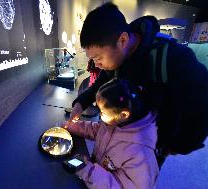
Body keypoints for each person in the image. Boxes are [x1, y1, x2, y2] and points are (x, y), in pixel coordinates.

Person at [69, 2, 208, 166]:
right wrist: (80, 103)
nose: (97, 64)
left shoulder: (172, 57)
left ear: (122, 40)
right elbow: (101, 82)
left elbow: (201, 107)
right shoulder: (116, 56)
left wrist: (176, 146)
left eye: (98, 58)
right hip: (118, 134)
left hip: (149, 145)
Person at [63, 79, 159, 189]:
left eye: (102, 112)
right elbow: (97, 130)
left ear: (123, 114)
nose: (100, 115)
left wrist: (88, 171)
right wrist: (70, 126)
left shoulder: (140, 155)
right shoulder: (114, 122)